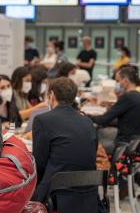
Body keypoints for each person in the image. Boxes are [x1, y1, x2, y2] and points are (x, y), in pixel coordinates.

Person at [32, 77, 98, 212]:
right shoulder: (87, 121)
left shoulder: (42, 120)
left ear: (51, 95)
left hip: (56, 195)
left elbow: (39, 163)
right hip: (88, 194)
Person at [89, 67, 140, 151]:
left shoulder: (128, 97)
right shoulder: (139, 96)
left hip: (124, 145)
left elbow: (102, 120)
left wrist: (86, 116)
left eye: (118, 81)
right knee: (101, 131)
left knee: (90, 144)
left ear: (125, 80)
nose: (117, 84)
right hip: (137, 142)